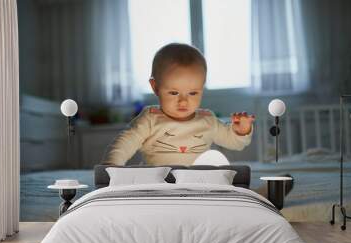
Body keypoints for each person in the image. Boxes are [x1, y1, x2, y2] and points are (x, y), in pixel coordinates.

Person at [102, 43, 255, 166]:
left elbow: (233, 142)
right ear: (155, 87)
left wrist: (241, 131)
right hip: (158, 183)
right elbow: (125, 143)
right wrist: (111, 167)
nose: (183, 101)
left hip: (198, 185)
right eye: (174, 93)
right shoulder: (150, 118)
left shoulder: (207, 119)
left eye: (193, 93)